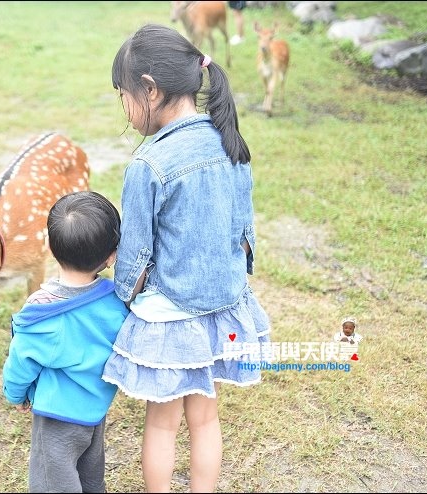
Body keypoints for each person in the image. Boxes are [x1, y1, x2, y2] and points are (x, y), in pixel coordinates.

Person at [101, 23, 271, 493]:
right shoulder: (230, 142)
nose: (125, 108)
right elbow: (244, 234)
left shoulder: (147, 164)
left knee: (161, 425)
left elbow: (136, 255)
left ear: (150, 90)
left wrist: (121, 298)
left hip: (170, 317)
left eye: (124, 95)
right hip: (224, 308)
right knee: (205, 419)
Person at [2, 190, 129, 493]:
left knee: (53, 485)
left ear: (49, 245)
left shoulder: (44, 313)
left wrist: (15, 394)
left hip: (57, 419)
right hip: (94, 412)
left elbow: (21, 361)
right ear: (111, 256)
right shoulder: (115, 301)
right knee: (90, 480)